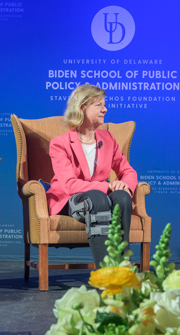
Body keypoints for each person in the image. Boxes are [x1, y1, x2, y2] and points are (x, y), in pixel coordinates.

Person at [46, 84, 138, 265]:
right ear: (82, 107)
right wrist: (107, 186)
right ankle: (105, 272)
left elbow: (128, 171)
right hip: (72, 200)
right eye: (98, 105)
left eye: (104, 104)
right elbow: (69, 184)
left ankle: (122, 267)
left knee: (122, 197)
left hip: (100, 197)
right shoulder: (60, 143)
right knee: (97, 197)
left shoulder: (108, 139)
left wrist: (124, 186)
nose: (105, 109)